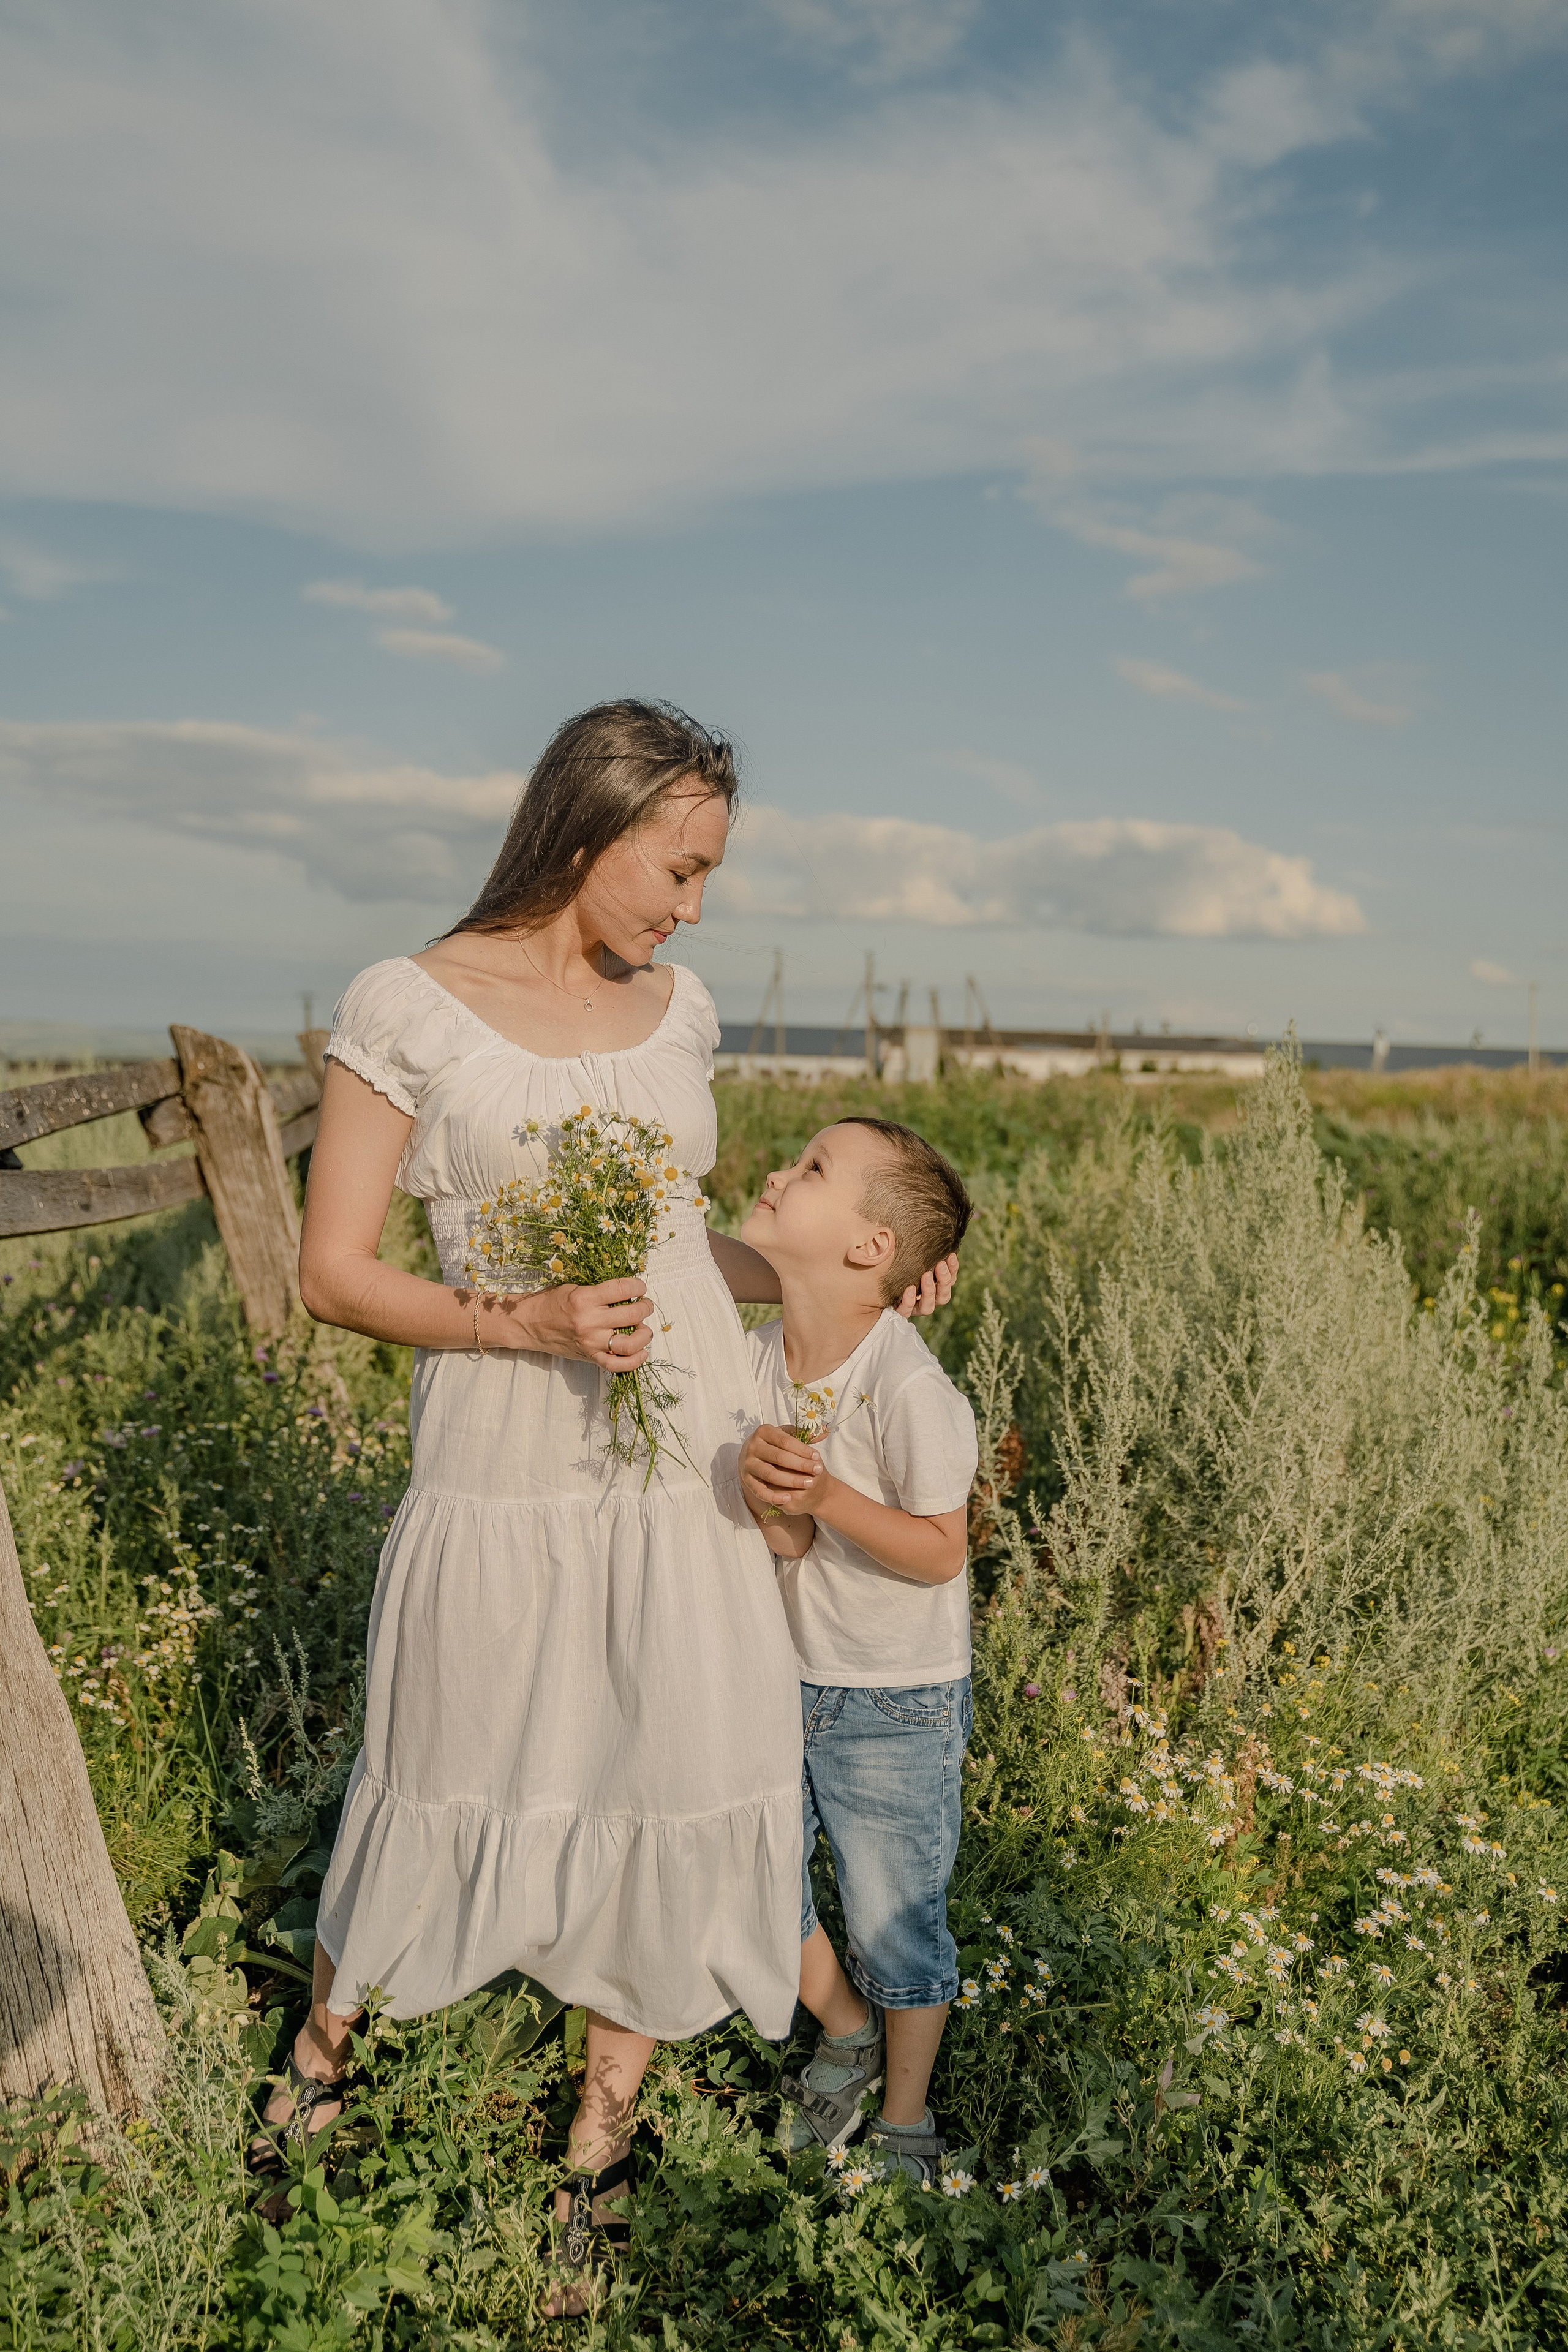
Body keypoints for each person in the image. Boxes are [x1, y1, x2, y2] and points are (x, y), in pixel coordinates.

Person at [251, 701, 956, 2313]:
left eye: (713, 876)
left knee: (673, 1750)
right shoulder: (411, 1006)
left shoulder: (681, 1008)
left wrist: (849, 1296)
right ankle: (319, 2057)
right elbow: (333, 1274)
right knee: (449, 1744)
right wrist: (532, 1322)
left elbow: (681, 1240)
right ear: (591, 833)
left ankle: (597, 2145)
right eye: (683, 869)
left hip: (681, 1447)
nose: (696, 908)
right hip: (503, 1454)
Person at [737, 1117, 977, 2187]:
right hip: (784, 1675)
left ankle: (906, 2120)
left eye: (813, 1170)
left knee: (897, 1914)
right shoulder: (760, 1359)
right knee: (756, 1871)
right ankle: (844, 2032)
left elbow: (938, 1553)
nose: (781, 1173)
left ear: (871, 1249)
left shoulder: (909, 1388)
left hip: (895, 1696)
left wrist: (827, 1494)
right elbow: (790, 1543)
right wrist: (777, 1501)